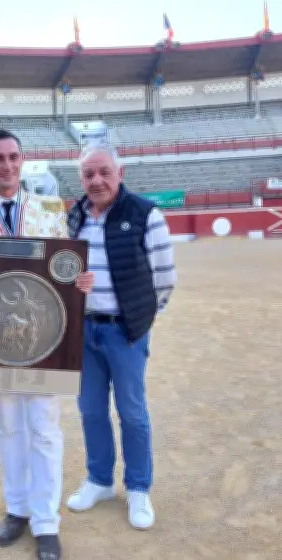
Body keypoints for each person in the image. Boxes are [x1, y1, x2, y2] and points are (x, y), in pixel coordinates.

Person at [0, 129, 93, 560]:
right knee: (9, 427)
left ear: (23, 160)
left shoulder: (52, 211)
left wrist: (81, 282)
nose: (7, 166)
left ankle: (46, 521)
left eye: (13, 157)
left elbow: (66, 273)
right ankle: (17, 508)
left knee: (45, 430)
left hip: (47, 338)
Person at [64, 143, 177, 531]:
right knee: (91, 410)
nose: (96, 181)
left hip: (125, 333)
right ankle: (99, 480)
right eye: (88, 174)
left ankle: (139, 487)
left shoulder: (146, 214)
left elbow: (165, 280)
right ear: (80, 178)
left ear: (120, 173)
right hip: (84, 331)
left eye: (103, 172)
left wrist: (139, 321)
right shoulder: (75, 216)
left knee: (132, 411)